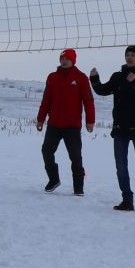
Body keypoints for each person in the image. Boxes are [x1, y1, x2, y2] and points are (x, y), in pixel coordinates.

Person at [90, 45, 135, 212]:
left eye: (132, 55)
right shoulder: (118, 77)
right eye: (127, 55)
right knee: (121, 166)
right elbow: (102, 90)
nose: (129, 57)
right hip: (120, 128)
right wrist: (95, 80)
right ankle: (127, 200)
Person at [35, 48, 95, 195]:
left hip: (72, 126)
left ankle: (78, 187)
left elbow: (88, 101)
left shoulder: (80, 78)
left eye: (67, 58)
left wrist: (90, 120)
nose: (64, 60)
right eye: (62, 58)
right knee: (46, 151)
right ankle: (54, 179)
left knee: (75, 156)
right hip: (54, 124)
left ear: (73, 60)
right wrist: (40, 119)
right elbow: (46, 100)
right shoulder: (52, 77)